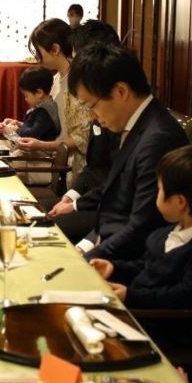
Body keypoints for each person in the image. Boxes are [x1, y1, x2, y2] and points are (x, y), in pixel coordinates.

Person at [56, 43, 188, 261]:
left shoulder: (158, 140)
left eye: (91, 106)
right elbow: (114, 199)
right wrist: (85, 245)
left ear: (121, 92)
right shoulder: (134, 124)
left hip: (132, 264)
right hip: (108, 242)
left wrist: (82, 258)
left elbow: (143, 227)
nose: (91, 116)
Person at [88, 144, 192, 309]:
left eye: (160, 189)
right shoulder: (167, 233)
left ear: (180, 202)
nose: (156, 194)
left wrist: (131, 296)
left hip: (158, 320)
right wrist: (114, 268)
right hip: (139, 307)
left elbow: (187, 295)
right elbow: (147, 268)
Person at [49, 21, 122, 239]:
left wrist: (76, 205)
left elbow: (118, 184)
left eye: (78, 59)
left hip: (108, 210)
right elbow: (95, 166)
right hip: (93, 197)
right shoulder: (99, 101)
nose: (75, 66)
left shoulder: (118, 110)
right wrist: (71, 196)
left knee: (49, 227)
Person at [12, 18, 91, 176]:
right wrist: (19, 125)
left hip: (67, 166)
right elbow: (53, 122)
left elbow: (82, 137)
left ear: (55, 49)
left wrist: (40, 145)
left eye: (39, 52)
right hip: (53, 154)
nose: (38, 58)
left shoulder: (77, 83)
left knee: (7, 165)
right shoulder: (56, 79)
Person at [0, 66, 59, 142]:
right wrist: (18, 124)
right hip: (29, 144)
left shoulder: (45, 112)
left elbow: (32, 134)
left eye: (26, 95)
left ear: (39, 93)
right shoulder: (41, 107)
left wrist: (15, 130)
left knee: (0, 144)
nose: (25, 99)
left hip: (39, 148)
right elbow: (33, 126)